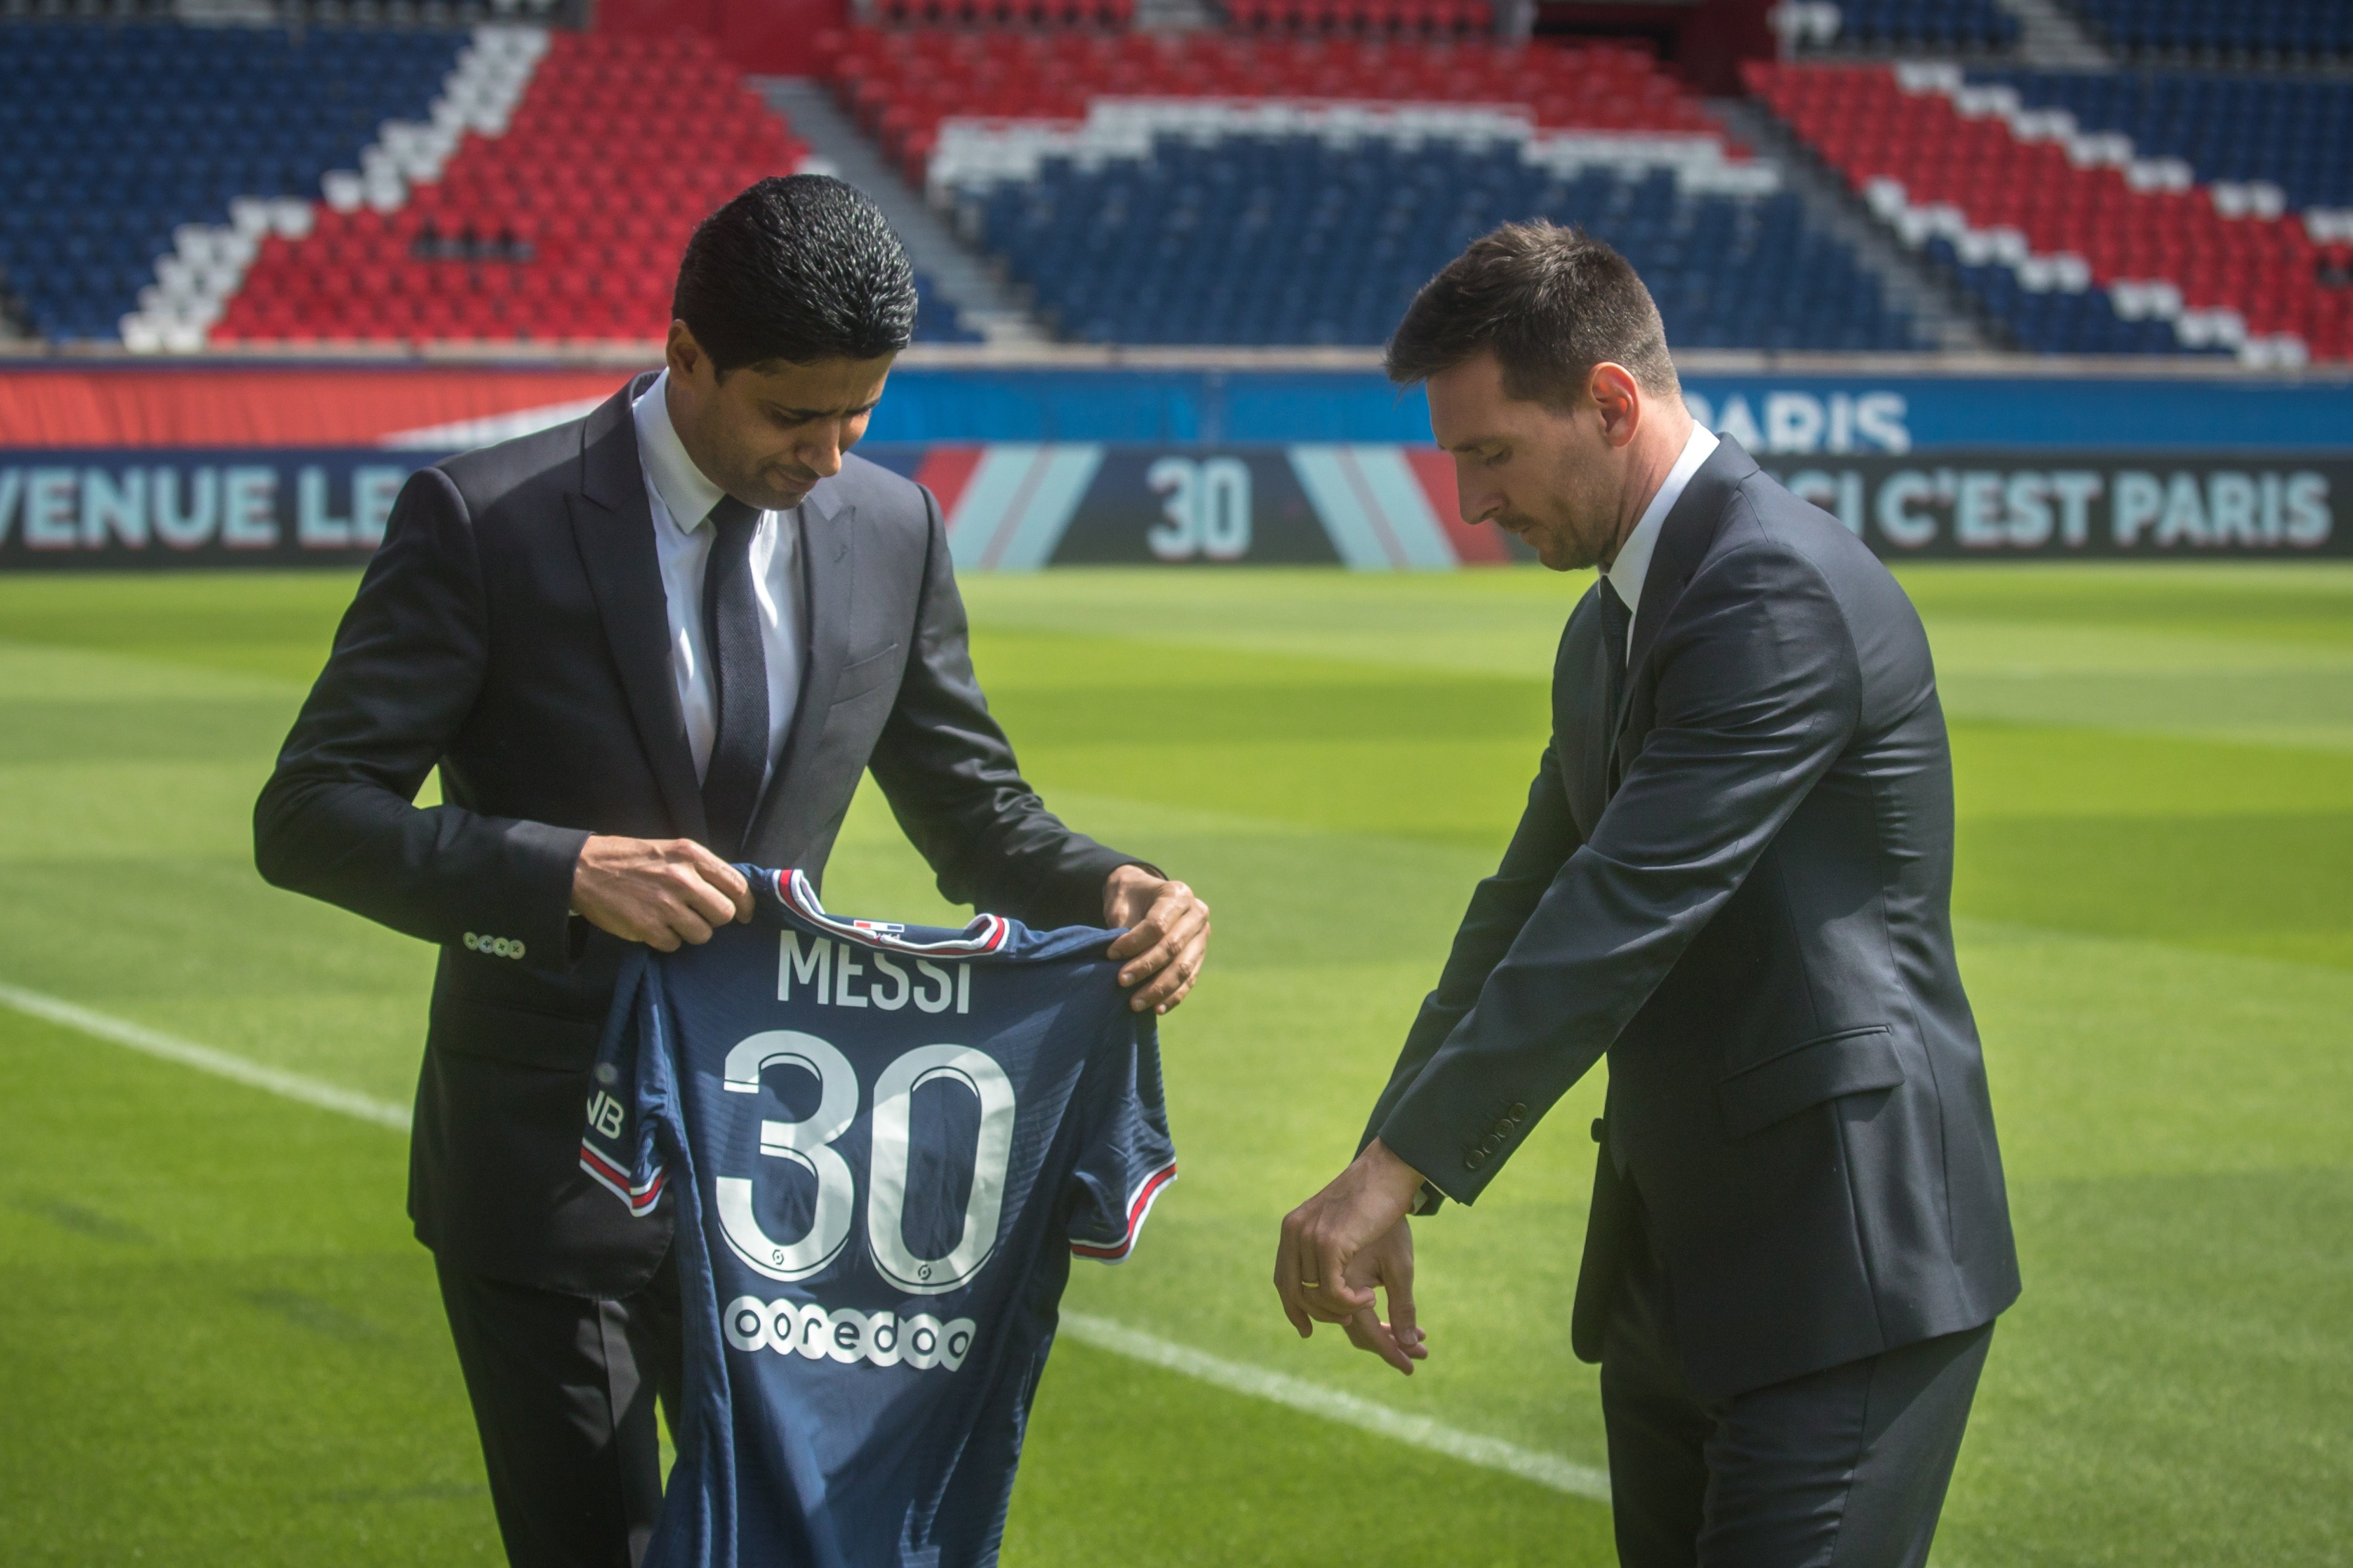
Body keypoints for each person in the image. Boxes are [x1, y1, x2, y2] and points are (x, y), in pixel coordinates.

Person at [254, 175, 1209, 1568]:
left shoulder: (892, 530)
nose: (828, 454)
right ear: (684, 352)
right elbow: (310, 814)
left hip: (781, 1182)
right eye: (791, 414)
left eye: (859, 413)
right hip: (541, 1166)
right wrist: (562, 871)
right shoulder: (485, 523)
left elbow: (975, 817)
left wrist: (1114, 886)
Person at [1272, 221, 2017, 1567]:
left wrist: (1399, 1169)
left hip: (1842, 1261)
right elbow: (1519, 905)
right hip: (1679, 1266)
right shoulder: (1611, 615)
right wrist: (1389, 1158)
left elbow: (1619, 908)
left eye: (1487, 453)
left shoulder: (1767, 589)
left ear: (1609, 402)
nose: (1471, 505)